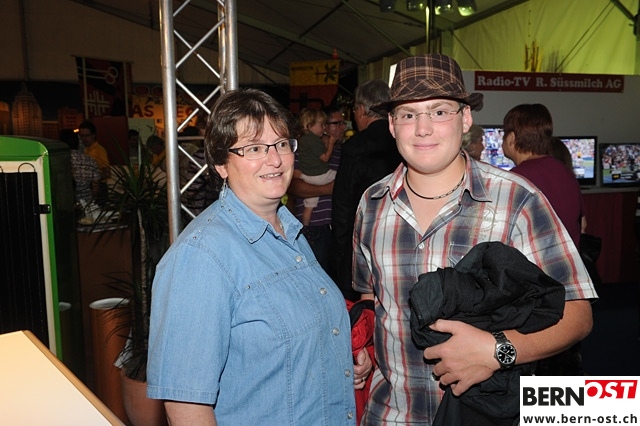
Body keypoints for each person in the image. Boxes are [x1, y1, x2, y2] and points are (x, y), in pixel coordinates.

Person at [353, 54, 597, 425]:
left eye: (439, 112)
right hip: (389, 414)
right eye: (408, 114)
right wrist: (364, 349)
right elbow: (371, 298)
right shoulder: (371, 204)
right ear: (391, 124)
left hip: (484, 415)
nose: (423, 128)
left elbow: (578, 314)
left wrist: (499, 349)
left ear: (465, 118)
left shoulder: (517, 200)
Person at [147, 89, 369, 425]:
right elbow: (186, 406)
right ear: (221, 164)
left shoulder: (290, 232)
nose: (275, 160)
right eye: (254, 148)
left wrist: (340, 365)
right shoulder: (201, 258)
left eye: (281, 144)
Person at [330, 79, 403, 301]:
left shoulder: (354, 147)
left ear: (362, 110)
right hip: (400, 240)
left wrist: (339, 257)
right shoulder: (403, 140)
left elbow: (343, 205)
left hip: (361, 245)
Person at [502, 104, 583, 247]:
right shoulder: (564, 170)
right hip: (567, 257)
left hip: (533, 259)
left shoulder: (517, 179)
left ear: (511, 138)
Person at [288, 106, 347, 274]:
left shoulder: (344, 152)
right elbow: (293, 186)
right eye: (337, 123)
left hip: (339, 226)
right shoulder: (302, 151)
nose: (343, 127)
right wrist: (328, 189)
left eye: (343, 123)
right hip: (315, 227)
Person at [295, 107, 338, 226]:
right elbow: (325, 158)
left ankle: (305, 226)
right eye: (322, 124)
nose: (324, 128)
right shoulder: (313, 140)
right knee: (343, 177)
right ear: (310, 126)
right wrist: (331, 143)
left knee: (309, 206)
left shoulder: (305, 141)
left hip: (309, 178)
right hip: (318, 176)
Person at [58, 128, 101, 204]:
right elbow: (95, 187)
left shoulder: (60, 161)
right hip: (87, 203)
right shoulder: (90, 160)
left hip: (66, 203)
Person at [78, 120, 110, 204]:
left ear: (93, 135)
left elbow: (107, 173)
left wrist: (93, 179)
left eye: (87, 136)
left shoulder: (99, 150)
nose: (84, 139)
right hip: (89, 187)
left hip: (99, 187)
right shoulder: (85, 150)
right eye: (82, 136)